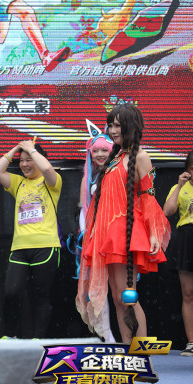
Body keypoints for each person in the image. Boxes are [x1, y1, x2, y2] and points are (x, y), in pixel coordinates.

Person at [77, 104, 170, 344]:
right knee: (119, 299)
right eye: (111, 125)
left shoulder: (141, 156)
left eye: (118, 125)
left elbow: (148, 196)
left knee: (128, 297)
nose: (112, 130)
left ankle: (141, 351)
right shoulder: (114, 157)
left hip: (126, 232)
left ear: (131, 125)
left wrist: (153, 233)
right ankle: (129, 349)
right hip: (107, 234)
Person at [0, 140, 62, 338]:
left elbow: (46, 168)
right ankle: (10, 336)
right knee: (11, 293)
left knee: (41, 296)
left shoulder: (52, 181)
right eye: (21, 161)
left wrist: (31, 149)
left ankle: (38, 339)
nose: (24, 164)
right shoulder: (19, 183)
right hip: (20, 249)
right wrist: (16, 148)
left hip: (46, 246)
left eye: (29, 160)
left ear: (38, 159)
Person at [76, 126, 116, 342]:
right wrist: (85, 234)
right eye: (95, 151)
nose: (100, 154)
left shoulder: (119, 173)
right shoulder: (88, 178)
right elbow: (84, 210)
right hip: (95, 239)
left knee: (122, 292)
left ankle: (132, 341)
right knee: (97, 288)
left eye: (104, 150)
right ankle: (106, 337)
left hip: (116, 237)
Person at [163, 150, 193, 356]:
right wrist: (179, 186)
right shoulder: (179, 188)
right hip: (187, 239)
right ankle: (192, 342)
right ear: (187, 171)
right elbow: (167, 211)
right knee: (189, 293)